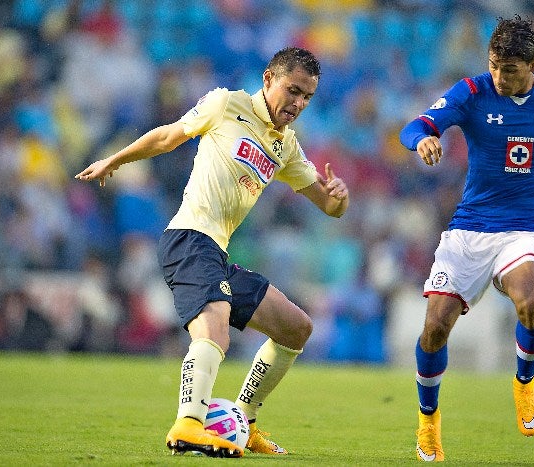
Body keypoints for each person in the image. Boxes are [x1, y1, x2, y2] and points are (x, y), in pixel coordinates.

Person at [76, 47, 349, 458]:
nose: (298, 104)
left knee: (296, 327)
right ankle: (187, 425)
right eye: (292, 91)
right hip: (189, 238)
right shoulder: (226, 104)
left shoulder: (286, 146)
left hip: (215, 253)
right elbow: (169, 135)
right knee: (214, 329)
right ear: (269, 79)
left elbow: (329, 206)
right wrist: (114, 159)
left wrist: (339, 198)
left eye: (307, 97)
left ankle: (245, 419)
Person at [399, 16, 534, 462]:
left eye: (512, 70)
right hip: (469, 229)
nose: (500, 77)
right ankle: (428, 419)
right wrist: (423, 140)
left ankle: (524, 382)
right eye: (495, 66)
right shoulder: (472, 91)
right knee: (435, 328)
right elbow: (417, 125)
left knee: (529, 301)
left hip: (524, 228)